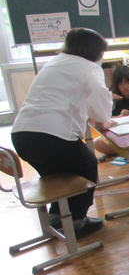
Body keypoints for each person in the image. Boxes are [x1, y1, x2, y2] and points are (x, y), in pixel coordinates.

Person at [10, 27, 113, 239]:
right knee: (87, 165)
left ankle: (56, 216)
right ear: (94, 51)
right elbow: (99, 98)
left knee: (57, 175)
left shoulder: (55, 62)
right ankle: (77, 221)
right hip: (53, 136)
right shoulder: (89, 67)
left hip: (21, 135)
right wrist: (104, 118)